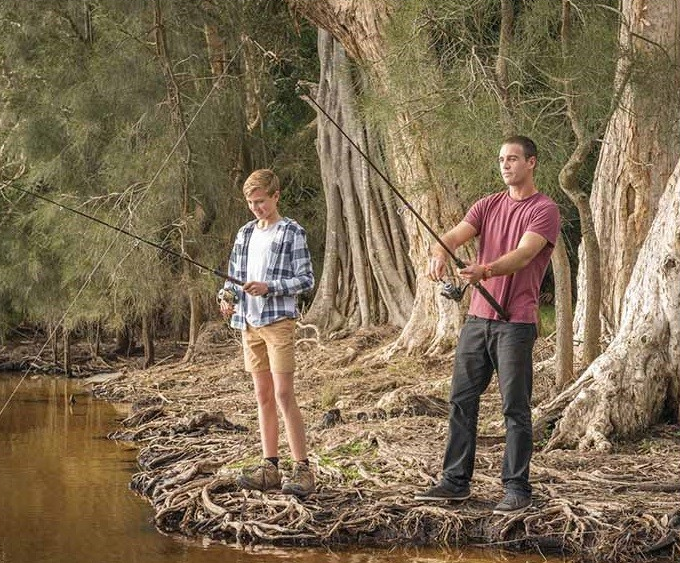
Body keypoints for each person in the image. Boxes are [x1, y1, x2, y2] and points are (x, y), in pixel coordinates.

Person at [415, 135, 560, 515]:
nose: (505, 165)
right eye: (501, 159)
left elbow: (525, 254)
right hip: (478, 319)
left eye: (513, 159)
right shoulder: (486, 205)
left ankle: (516, 488)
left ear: (531, 163)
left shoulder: (544, 209)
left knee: (515, 407)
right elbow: (453, 235)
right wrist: (439, 253)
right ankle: (455, 482)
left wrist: (486, 270)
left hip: (516, 323)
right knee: (462, 401)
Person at [218, 168, 315, 497]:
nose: (256, 207)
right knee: (262, 396)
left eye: (261, 201)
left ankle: (303, 469)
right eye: (250, 202)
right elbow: (232, 278)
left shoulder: (291, 232)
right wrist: (226, 300)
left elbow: (305, 280)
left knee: (284, 394)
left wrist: (269, 287)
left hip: (278, 323)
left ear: (276, 196)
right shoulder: (245, 233)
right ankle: (270, 466)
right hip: (249, 323)